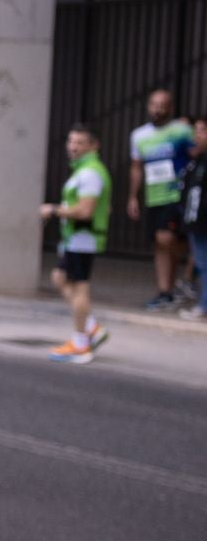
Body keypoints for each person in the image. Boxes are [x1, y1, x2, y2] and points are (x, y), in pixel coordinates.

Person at [41, 123, 112, 362]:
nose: (73, 147)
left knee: (80, 287)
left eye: (80, 142)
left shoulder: (91, 172)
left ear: (93, 145)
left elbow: (85, 211)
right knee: (60, 277)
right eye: (71, 141)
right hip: (75, 238)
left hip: (83, 238)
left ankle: (81, 343)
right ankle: (91, 327)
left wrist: (54, 210)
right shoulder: (83, 170)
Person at [127, 88, 194, 310]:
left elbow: (196, 154)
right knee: (159, 242)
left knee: (168, 239)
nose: (158, 109)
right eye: (154, 105)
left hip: (177, 194)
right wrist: (133, 196)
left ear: (170, 107)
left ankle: (188, 274)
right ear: (148, 106)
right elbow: (136, 167)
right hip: (154, 195)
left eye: (163, 105)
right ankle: (165, 291)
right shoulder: (139, 135)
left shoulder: (181, 131)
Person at [182, 117, 207, 322]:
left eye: (202, 130)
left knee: (204, 263)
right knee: (201, 262)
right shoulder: (198, 159)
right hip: (196, 220)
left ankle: (204, 306)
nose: (197, 135)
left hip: (202, 221)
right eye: (196, 130)